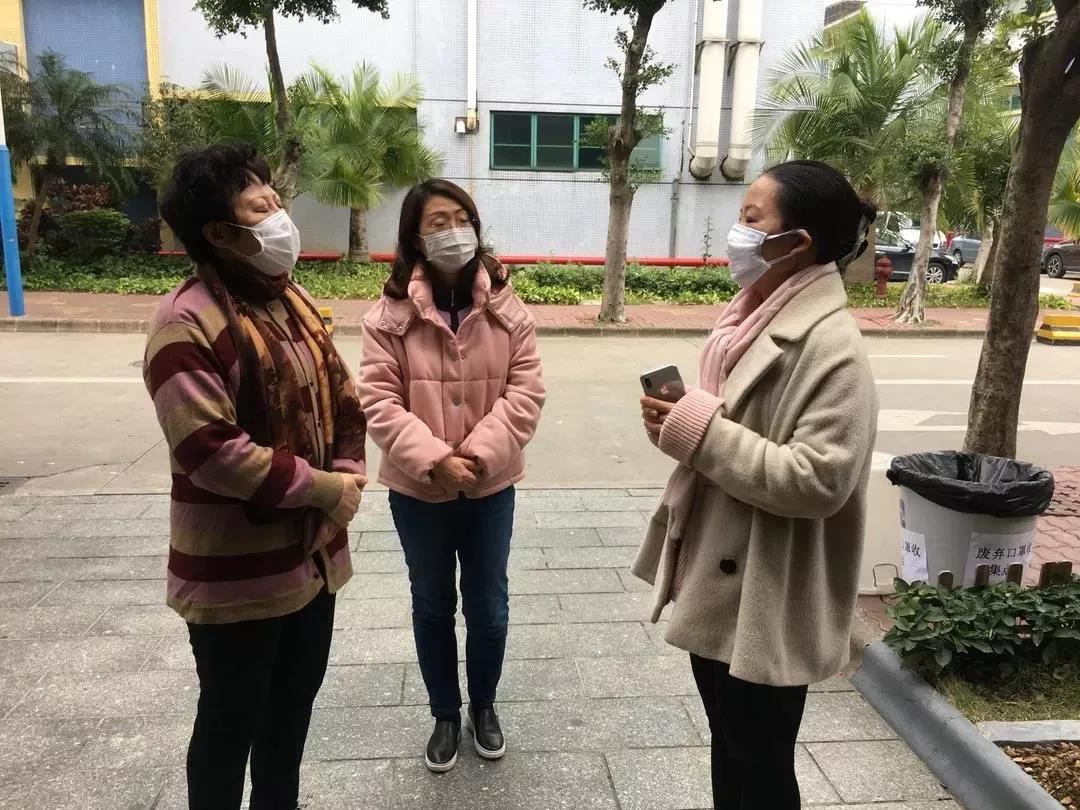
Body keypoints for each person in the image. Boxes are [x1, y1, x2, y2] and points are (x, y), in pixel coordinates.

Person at [635, 160, 879, 810]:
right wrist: (678, 424)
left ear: (796, 243)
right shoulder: (752, 317)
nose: (736, 232)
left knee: (760, 767)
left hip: (769, 594)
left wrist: (698, 430)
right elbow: (729, 431)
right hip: (722, 583)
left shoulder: (833, 349)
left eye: (751, 219)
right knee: (733, 751)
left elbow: (819, 480)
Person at [144, 142, 368, 809]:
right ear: (219, 233)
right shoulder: (184, 322)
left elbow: (341, 395)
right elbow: (211, 450)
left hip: (311, 559)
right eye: (258, 205)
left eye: (275, 199)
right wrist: (323, 488)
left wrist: (347, 475)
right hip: (237, 575)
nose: (278, 214)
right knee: (230, 720)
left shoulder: (288, 297)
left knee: (290, 714)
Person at [358, 179, 545, 773]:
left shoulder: (508, 308)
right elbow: (378, 399)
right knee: (433, 605)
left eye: (461, 218)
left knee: (489, 607)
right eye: (438, 222)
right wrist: (435, 459)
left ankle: (483, 706)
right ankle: (444, 712)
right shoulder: (387, 316)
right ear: (415, 237)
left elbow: (526, 391)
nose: (453, 231)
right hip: (420, 490)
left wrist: (479, 455)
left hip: (490, 487)